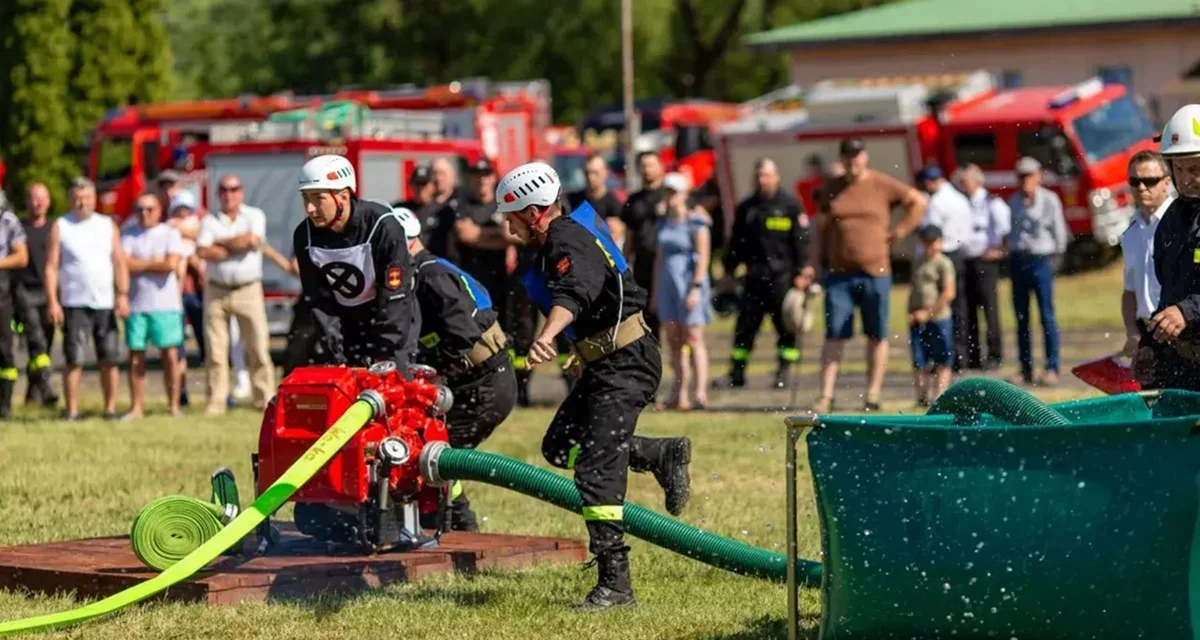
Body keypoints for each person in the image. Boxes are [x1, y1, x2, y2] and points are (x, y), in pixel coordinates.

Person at [498, 161, 691, 610]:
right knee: (560, 446)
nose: (506, 226)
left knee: (597, 471)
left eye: (510, 215)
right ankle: (660, 453)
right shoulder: (561, 237)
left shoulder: (566, 238)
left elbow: (577, 290)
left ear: (532, 212)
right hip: (609, 361)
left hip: (628, 362)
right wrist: (581, 350)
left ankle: (616, 584)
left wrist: (546, 335)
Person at [400, 206, 517, 531]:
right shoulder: (432, 269)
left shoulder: (430, 275)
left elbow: (463, 333)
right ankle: (448, 519)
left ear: (408, 244)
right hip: (480, 380)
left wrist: (437, 372)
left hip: (485, 384)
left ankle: (456, 523)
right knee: (435, 447)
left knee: (434, 452)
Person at [798, 138, 926, 412]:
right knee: (833, 336)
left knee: (877, 335)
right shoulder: (831, 189)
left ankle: (872, 394)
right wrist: (812, 263)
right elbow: (819, 230)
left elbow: (917, 202)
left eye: (857, 156)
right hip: (839, 275)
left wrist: (900, 232)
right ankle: (825, 396)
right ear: (841, 159)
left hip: (876, 272)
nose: (852, 161)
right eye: (847, 156)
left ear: (865, 157)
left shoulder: (882, 184)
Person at [293, 155, 419, 371]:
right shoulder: (304, 235)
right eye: (306, 198)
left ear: (342, 196)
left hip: (393, 321)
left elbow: (395, 296)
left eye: (318, 198)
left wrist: (384, 354)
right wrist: (336, 354)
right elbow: (319, 301)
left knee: (391, 393)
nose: (310, 209)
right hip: (348, 325)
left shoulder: (383, 226)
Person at [45, 177, 129, 421]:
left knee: (109, 359)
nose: (82, 203)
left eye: (87, 197)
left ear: (95, 199)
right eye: (78, 198)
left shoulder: (107, 225)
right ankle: (71, 411)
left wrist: (123, 294)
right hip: (74, 302)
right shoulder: (61, 225)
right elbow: (51, 266)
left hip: (104, 302)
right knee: (74, 359)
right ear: (71, 200)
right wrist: (53, 300)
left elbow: (119, 261)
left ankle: (110, 409)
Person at [721, 158, 809, 390]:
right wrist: (728, 271)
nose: (763, 180)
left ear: (777, 177)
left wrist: (802, 271)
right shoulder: (747, 208)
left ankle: (783, 372)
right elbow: (735, 243)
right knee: (745, 329)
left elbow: (802, 241)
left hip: (783, 279)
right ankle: (737, 372)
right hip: (753, 278)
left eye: (767, 175)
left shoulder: (790, 205)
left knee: (786, 328)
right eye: (760, 175)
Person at [195, 173, 274, 414]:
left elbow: (252, 241)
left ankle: (265, 398)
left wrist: (220, 243)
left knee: (258, 346)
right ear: (218, 193)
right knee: (216, 350)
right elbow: (203, 251)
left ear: (241, 192)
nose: (229, 195)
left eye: (233, 189)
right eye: (224, 190)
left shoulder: (254, 215)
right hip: (216, 289)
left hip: (248, 288)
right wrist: (235, 244)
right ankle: (216, 401)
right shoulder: (210, 220)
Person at [1133, 105, 1200, 390]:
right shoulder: (1171, 220)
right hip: (1183, 366)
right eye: (1179, 168)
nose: (1185, 178)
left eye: (1195, 168)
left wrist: (1186, 312)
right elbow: (1168, 294)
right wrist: (1151, 345)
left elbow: (1180, 309)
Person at [121, 193, 185, 418]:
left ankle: (173, 405)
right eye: (139, 209)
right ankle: (136, 407)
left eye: (149, 209)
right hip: (137, 304)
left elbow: (170, 264)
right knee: (135, 355)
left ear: (159, 211)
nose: (144, 214)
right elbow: (124, 264)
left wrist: (140, 264)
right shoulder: (128, 235)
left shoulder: (170, 234)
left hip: (165, 305)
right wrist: (153, 262)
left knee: (170, 355)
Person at [651, 173, 712, 409]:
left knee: (694, 338)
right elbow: (659, 259)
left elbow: (703, 257)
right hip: (668, 282)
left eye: (674, 192)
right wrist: (656, 292)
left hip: (688, 282)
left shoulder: (696, 222)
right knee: (674, 340)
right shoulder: (662, 223)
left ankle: (700, 392)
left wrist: (695, 288)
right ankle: (679, 393)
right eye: (667, 192)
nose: (670, 197)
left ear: (685, 194)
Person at [1006, 157, 1068, 387]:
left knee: (1046, 315)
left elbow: (1059, 232)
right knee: (1021, 317)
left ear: (1039, 176)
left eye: (1029, 175)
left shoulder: (1050, 200)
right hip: (1019, 260)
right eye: (1021, 176)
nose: (1025, 181)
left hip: (1041, 260)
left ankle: (1052, 367)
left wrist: (1056, 261)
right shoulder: (1014, 202)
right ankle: (1026, 368)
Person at [954, 163, 1010, 370]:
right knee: (968, 311)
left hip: (985, 263)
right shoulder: (961, 202)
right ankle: (973, 355)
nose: (962, 184)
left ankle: (995, 354)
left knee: (990, 310)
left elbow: (1006, 232)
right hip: (966, 261)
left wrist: (999, 252)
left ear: (977, 181)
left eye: (965, 180)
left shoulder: (992, 203)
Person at [916, 166, 973, 372]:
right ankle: (962, 355)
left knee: (940, 305)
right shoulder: (960, 199)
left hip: (941, 252)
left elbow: (929, 231)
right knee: (960, 307)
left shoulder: (936, 202)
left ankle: (944, 356)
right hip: (959, 253)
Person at [1121, 151, 1174, 358]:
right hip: (1148, 334)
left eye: (1150, 180)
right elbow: (1129, 292)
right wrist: (1133, 333)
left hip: (1180, 330)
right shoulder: (1131, 233)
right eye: (1135, 181)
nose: (1142, 187)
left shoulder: (1182, 224)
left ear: (1167, 182)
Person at [13, 183, 57, 406]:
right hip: (24, 292)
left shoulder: (54, 229)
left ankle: (33, 394)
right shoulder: (18, 229)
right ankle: (47, 388)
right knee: (36, 341)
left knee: (44, 345)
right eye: (33, 198)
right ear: (27, 202)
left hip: (48, 293)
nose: (38, 203)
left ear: (48, 202)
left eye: (42, 198)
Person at [908, 225, 956, 406]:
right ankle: (921, 398)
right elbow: (913, 289)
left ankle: (940, 397)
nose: (931, 247)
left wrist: (928, 313)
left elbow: (948, 293)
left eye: (934, 242)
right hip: (917, 318)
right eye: (927, 243)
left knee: (942, 358)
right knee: (919, 359)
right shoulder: (918, 261)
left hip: (939, 318)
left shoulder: (943, 263)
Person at [620, 151, 666, 334]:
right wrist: (623, 265)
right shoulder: (634, 200)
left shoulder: (670, 196)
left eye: (651, 165)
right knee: (645, 318)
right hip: (642, 265)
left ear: (661, 167)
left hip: (665, 265)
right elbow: (629, 236)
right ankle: (652, 360)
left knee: (671, 321)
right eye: (643, 166)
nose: (647, 170)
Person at [0, 195, 28, 418]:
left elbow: (21, 257)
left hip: (1, 291)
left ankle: (4, 405)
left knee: (4, 349)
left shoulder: (8, 220)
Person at [567, 153, 624, 245]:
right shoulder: (573, 201)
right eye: (587, 172)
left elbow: (614, 239)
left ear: (605, 173)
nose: (590, 177)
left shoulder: (614, 205)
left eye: (595, 173)